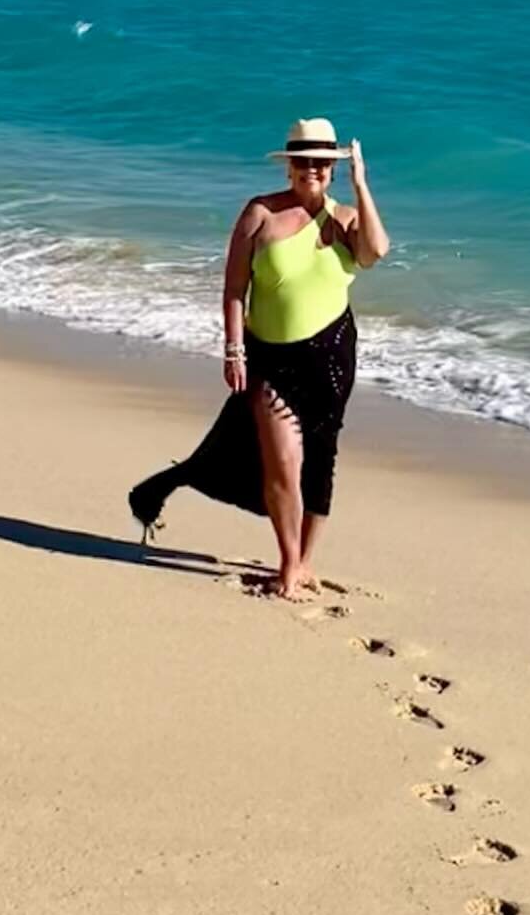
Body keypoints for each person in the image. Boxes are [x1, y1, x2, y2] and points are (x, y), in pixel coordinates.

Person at [129, 117, 391, 597]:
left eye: (320, 162)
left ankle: (306, 561)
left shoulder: (346, 219)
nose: (310, 169)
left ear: (331, 169)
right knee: (283, 462)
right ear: (288, 166)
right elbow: (234, 289)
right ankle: (289, 564)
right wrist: (233, 350)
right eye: (302, 161)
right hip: (269, 357)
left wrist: (361, 184)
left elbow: (376, 252)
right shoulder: (261, 215)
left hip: (332, 358)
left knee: (321, 460)